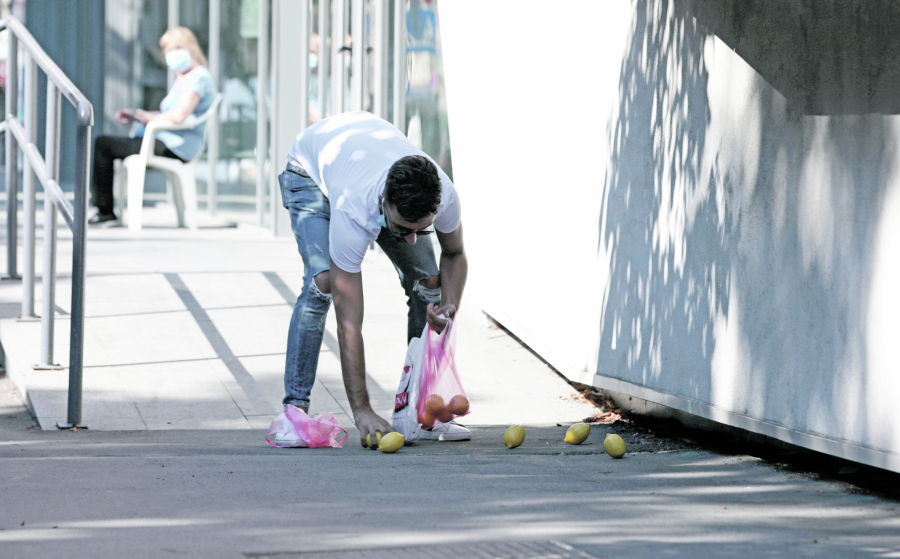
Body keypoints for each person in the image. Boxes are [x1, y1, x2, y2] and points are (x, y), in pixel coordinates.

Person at [277, 111, 468, 447]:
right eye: (402, 230)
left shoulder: (445, 195)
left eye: (420, 229)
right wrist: (362, 409)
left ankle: (422, 409)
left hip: (361, 154)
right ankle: (294, 413)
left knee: (429, 284)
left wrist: (449, 307)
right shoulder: (354, 210)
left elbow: (453, 254)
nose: (412, 240)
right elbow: (349, 322)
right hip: (309, 170)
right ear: (383, 203)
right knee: (322, 283)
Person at [88, 27, 218, 225]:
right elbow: (169, 114)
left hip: (176, 145)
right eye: (168, 49)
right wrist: (139, 115)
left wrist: (149, 120)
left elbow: (180, 115)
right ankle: (104, 207)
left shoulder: (199, 77)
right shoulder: (183, 78)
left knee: (103, 144)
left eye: (178, 47)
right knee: (107, 143)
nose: (173, 53)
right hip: (164, 139)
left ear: (191, 47)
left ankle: (104, 210)